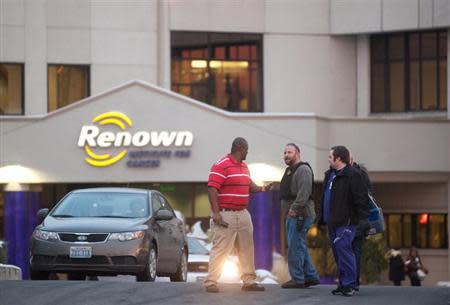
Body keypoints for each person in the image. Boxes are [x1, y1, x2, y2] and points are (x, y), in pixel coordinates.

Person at [204, 137, 272, 293]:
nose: (248, 152)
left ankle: (249, 281)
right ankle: (211, 282)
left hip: (243, 214)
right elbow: (212, 189)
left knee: (247, 248)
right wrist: (216, 213)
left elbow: (249, 185)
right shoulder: (221, 165)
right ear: (240, 149)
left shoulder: (244, 166)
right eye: (247, 149)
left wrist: (262, 189)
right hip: (225, 214)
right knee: (221, 248)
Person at [318, 146, 370, 297]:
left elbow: (361, 199)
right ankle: (343, 283)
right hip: (332, 221)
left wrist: (362, 220)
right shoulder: (330, 174)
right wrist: (322, 216)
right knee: (338, 253)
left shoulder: (353, 175)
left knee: (345, 251)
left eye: (330, 156)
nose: (328, 159)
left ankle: (349, 285)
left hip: (346, 222)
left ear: (338, 158)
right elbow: (325, 198)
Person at [279, 143, 320, 289]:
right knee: (298, 245)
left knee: (295, 247)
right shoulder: (291, 170)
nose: (286, 155)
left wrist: (294, 208)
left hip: (300, 215)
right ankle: (311, 276)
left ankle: (297, 279)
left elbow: (304, 193)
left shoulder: (303, 170)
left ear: (298, 153)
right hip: (294, 214)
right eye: (285, 153)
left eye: (289, 152)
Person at [350, 158, 372, 290]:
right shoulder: (364, 177)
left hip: (355, 219)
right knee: (356, 250)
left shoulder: (353, 177)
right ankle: (355, 280)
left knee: (349, 250)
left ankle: (351, 280)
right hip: (362, 219)